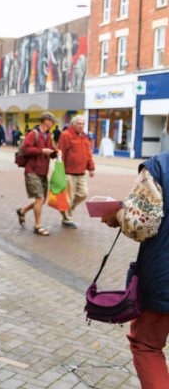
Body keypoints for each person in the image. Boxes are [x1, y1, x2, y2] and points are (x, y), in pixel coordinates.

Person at [101, 114, 168, 388]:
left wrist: (117, 215)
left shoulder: (160, 166)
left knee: (147, 345)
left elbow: (141, 224)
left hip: (164, 276)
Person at [15, 111, 60, 236]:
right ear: (46, 120)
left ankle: (22, 211)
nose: (53, 124)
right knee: (40, 198)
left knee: (42, 200)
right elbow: (26, 149)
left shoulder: (48, 135)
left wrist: (55, 152)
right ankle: (37, 226)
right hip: (32, 171)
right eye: (52, 121)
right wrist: (42, 151)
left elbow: (50, 151)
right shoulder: (33, 134)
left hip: (43, 171)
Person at [56, 115, 94, 229]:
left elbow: (88, 153)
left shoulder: (84, 136)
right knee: (68, 197)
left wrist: (91, 168)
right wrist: (60, 170)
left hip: (81, 172)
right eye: (79, 123)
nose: (81, 126)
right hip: (68, 173)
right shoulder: (66, 135)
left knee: (83, 194)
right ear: (73, 124)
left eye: (83, 124)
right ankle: (67, 219)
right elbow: (61, 153)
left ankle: (67, 209)